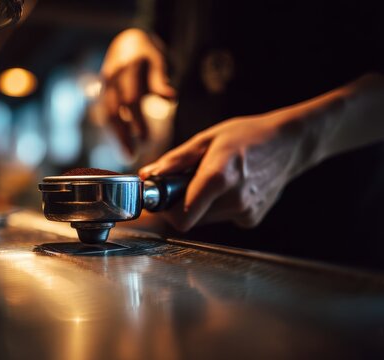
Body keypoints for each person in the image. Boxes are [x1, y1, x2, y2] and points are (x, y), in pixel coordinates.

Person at [100, 0, 384, 267]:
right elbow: (162, 21)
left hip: (333, 258)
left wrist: (301, 140)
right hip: (189, 246)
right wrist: (139, 36)